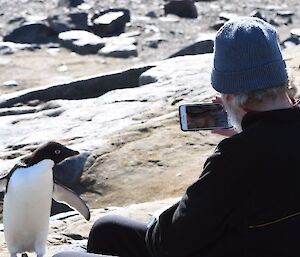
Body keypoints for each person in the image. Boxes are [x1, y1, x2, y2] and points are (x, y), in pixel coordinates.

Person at [53, 16, 300, 257]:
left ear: (229, 96)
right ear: (282, 81)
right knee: (108, 231)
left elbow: (171, 244)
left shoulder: (234, 158)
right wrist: (247, 130)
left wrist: (158, 221)